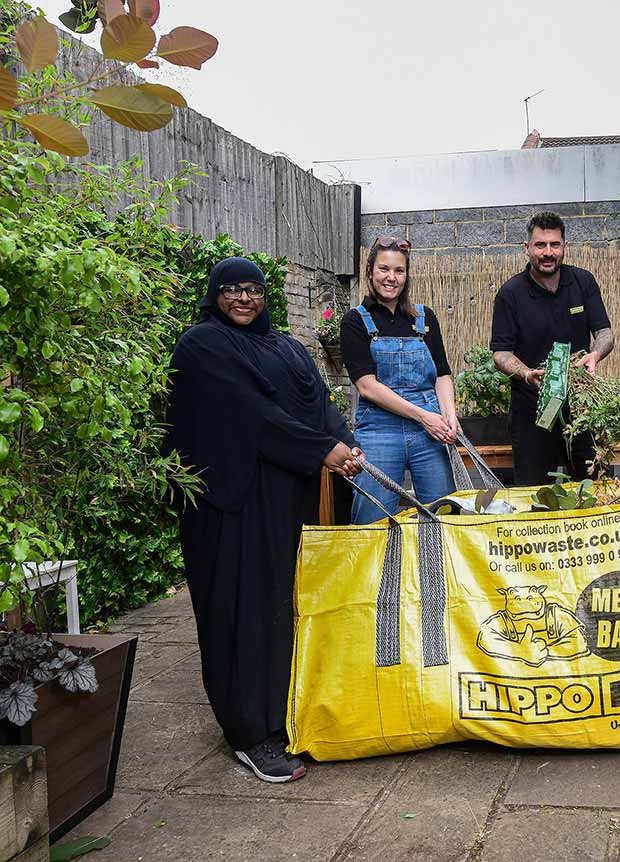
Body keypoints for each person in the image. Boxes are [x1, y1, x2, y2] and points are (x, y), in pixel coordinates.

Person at [165, 257, 362, 784]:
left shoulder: (286, 347)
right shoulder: (201, 346)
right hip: (230, 507)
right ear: (214, 295)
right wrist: (323, 448)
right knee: (241, 612)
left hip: (283, 499)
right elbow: (250, 415)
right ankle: (250, 733)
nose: (244, 299)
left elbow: (316, 401)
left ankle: (284, 716)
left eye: (253, 290)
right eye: (231, 290)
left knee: (285, 608)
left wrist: (347, 442)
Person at [490, 211, 615, 485]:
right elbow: (500, 353)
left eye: (555, 245)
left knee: (594, 490)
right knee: (536, 498)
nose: (548, 252)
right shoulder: (511, 294)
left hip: (582, 410)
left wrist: (595, 354)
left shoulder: (583, 282)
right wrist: (526, 374)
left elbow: (605, 333)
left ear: (564, 247)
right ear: (527, 248)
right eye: (540, 245)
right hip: (533, 414)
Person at [340, 237, 458, 521]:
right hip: (380, 430)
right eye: (383, 269)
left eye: (399, 271)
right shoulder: (355, 321)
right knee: (374, 520)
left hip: (429, 432)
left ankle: (434, 567)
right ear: (370, 271)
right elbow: (367, 386)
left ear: (406, 275)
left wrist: (449, 416)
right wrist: (423, 416)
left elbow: (442, 374)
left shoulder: (424, 317)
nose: (391, 278)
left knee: (444, 517)